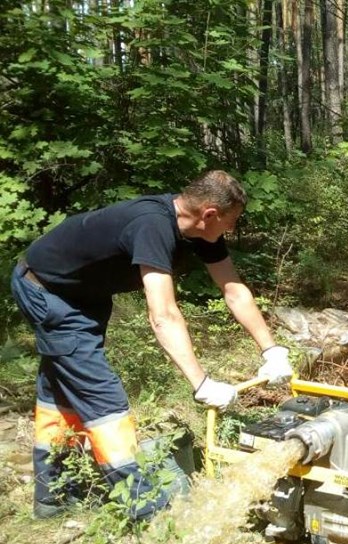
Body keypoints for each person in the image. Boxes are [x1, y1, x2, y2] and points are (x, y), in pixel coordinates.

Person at [10, 170, 293, 520]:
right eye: (231, 222)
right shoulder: (152, 226)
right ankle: (146, 509)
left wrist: (271, 350)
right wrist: (200, 382)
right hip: (49, 291)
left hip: (85, 294)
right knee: (103, 399)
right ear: (209, 214)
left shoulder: (202, 232)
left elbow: (232, 289)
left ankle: (53, 495)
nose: (231, 230)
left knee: (62, 393)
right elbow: (163, 315)